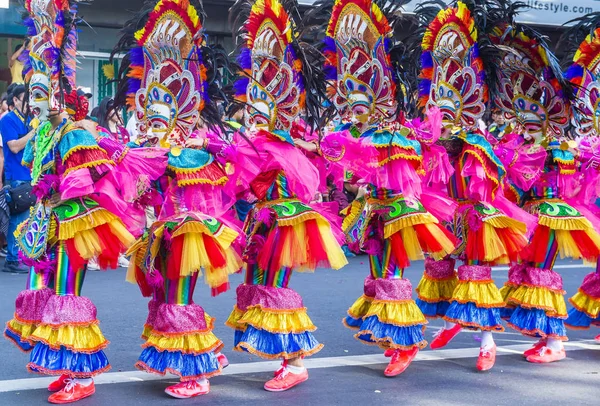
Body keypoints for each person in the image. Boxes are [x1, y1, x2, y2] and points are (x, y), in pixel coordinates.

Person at [113, 0, 241, 398]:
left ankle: (197, 373)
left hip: (189, 232)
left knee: (181, 296)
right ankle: (194, 358)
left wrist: (186, 147)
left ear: (179, 114)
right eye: (148, 119)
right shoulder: (153, 151)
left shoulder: (195, 151)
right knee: (166, 296)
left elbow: (222, 165)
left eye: (160, 118)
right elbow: (146, 191)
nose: (154, 126)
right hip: (162, 232)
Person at [225, 0, 347, 392]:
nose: (253, 118)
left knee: (276, 286)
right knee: (261, 284)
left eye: (261, 113)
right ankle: (280, 355)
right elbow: (238, 176)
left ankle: (295, 363)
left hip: (286, 222)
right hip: (262, 220)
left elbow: (307, 176)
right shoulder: (257, 142)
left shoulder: (288, 146)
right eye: (250, 111)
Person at [0, 84, 34, 273]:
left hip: (30, 175)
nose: (29, 104)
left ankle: (20, 256)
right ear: (16, 100)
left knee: (27, 220)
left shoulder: (29, 119)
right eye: (26, 99)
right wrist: (33, 133)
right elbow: (13, 147)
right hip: (17, 177)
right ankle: (12, 259)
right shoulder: (7, 120)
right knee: (17, 219)